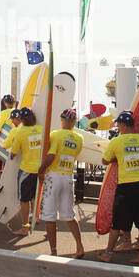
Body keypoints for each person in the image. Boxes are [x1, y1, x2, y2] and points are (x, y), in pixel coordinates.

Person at [98, 110, 139, 266]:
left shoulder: (116, 141)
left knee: (117, 223)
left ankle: (108, 254)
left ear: (124, 125)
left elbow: (105, 161)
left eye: (118, 124)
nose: (118, 127)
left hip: (126, 187)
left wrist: (117, 158)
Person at [37, 108, 85, 257]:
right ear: (73, 121)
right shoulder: (79, 138)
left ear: (63, 120)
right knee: (69, 215)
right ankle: (80, 247)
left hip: (54, 175)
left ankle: (54, 252)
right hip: (68, 177)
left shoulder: (55, 135)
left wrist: (41, 170)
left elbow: (51, 155)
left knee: (49, 216)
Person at [2, 106, 44, 238]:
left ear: (21, 119)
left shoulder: (20, 132)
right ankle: (36, 218)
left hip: (26, 170)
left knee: (24, 200)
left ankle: (25, 227)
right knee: (35, 197)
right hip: (40, 170)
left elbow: (13, 152)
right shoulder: (41, 129)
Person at [0, 94, 18, 161]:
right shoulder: (18, 112)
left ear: (4, 103)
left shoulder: (3, 113)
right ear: (14, 102)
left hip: (6, 145)